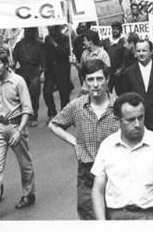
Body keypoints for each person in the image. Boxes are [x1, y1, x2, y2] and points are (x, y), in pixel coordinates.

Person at [91, 93, 153, 220]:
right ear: (118, 120)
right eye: (130, 120)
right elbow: (97, 189)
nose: (137, 124)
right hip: (117, 217)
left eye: (140, 117)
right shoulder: (107, 146)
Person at [49, 59, 119, 220]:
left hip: (115, 172)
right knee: (89, 214)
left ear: (107, 80)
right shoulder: (77, 106)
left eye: (99, 79)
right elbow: (54, 125)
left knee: (115, 217)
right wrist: (74, 142)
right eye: (90, 79)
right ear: (84, 82)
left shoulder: (119, 105)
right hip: (87, 173)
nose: (95, 84)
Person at [0, 49, 36, 220]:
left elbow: (27, 109)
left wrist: (19, 130)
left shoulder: (18, 81)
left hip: (16, 125)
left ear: (6, 64)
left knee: (25, 164)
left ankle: (28, 194)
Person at [119, 39, 153, 137]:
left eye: (144, 50)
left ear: (151, 51)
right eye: (138, 51)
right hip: (137, 120)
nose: (141, 54)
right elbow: (126, 94)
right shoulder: (128, 72)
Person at [13, 27, 46, 127]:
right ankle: (21, 116)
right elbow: (14, 59)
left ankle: (33, 117)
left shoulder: (40, 45)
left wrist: (43, 73)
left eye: (32, 31)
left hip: (35, 71)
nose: (30, 33)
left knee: (34, 95)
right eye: (28, 31)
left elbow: (44, 61)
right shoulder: (19, 44)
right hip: (22, 71)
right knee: (20, 96)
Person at [43, 25, 73, 122]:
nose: (50, 29)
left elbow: (65, 53)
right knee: (47, 92)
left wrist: (54, 44)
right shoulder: (47, 38)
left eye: (51, 28)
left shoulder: (64, 38)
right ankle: (52, 112)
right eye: (48, 28)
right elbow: (45, 55)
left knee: (64, 93)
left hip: (62, 69)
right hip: (50, 70)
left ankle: (64, 114)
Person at [103, 21, 128, 94]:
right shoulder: (107, 41)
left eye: (117, 29)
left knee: (120, 91)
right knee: (107, 90)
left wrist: (121, 69)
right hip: (108, 71)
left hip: (119, 72)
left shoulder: (123, 41)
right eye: (113, 29)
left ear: (120, 31)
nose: (115, 30)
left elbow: (125, 58)